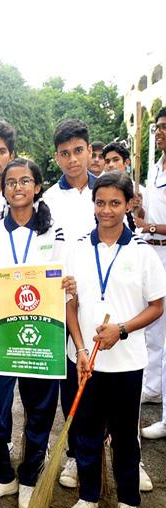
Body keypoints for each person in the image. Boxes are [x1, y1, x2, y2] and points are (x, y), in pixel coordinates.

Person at [63, 171, 166, 508]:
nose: (106, 210)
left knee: (125, 436)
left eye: (115, 203)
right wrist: (78, 349)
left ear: (129, 205)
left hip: (128, 363)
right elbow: (70, 306)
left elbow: (157, 306)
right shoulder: (77, 249)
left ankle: (127, 502)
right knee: (85, 433)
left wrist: (121, 330)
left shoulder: (141, 252)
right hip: (87, 362)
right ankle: (89, 496)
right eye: (100, 202)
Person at [0, 158, 70, 508]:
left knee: (40, 411)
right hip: (2, 332)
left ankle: (30, 476)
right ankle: (3, 475)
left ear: (37, 187)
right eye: (11, 182)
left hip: (41, 334)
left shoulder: (54, 231)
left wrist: (66, 283)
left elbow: (61, 276)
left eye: (24, 181)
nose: (17, 187)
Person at [139, 108, 166, 438]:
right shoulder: (157, 168)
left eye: (165, 128)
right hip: (155, 252)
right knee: (155, 333)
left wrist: (152, 226)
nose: (160, 133)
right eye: (158, 128)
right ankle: (155, 388)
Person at [42, 119, 96, 242]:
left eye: (78, 151)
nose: (72, 159)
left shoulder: (107, 192)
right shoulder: (47, 200)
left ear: (89, 151)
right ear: (57, 157)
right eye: (65, 153)